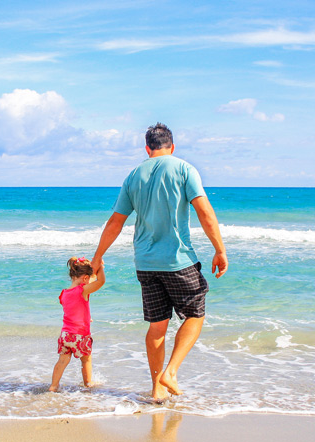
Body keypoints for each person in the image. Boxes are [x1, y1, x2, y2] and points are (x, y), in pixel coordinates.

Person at [90, 122, 227, 401]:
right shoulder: (184, 169)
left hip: (145, 262)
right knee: (195, 314)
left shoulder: (133, 176)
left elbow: (116, 222)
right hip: (177, 260)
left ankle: (156, 389)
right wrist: (220, 250)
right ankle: (170, 372)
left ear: (147, 148)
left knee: (157, 325)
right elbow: (204, 212)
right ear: (172, 146)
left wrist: (98, 255)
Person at [49, 257, 106, 392]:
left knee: (62, 361)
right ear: (85, 278)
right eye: (88, 279)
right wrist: (100, 267)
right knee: (86, 360)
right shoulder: (82, 290)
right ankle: (88, 384)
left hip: (65, 335)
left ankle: (53, 386)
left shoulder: (63, 294)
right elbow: (101, 281)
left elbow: (73, 309)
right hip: (80, 336)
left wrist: (87, 317)